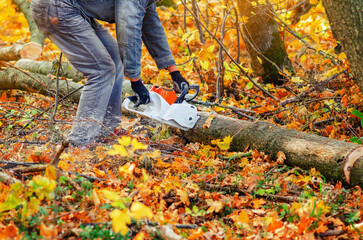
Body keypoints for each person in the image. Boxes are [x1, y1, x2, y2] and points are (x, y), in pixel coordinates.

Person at [31, 0, 123, 147]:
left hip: (76, 8)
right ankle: (80, 141)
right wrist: (136, 78)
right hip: (56, 8)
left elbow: (151, 24)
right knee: (101, 70)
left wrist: (172, 69)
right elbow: (131, 26)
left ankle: (107, 129)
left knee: (115, 56)